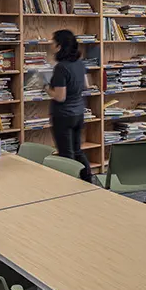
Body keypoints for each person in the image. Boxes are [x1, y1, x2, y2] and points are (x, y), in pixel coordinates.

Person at [44, 29, 93, 182]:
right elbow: (86, 85)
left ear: (59, 46)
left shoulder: (61, 68)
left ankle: (70, 187)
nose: (50, 44)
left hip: (63, 116)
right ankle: (88, 181)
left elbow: (60, 97)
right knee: (77, 151)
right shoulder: (79, 63)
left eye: (53, 42)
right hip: (78, 113)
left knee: (66, 154)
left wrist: (46, 88)